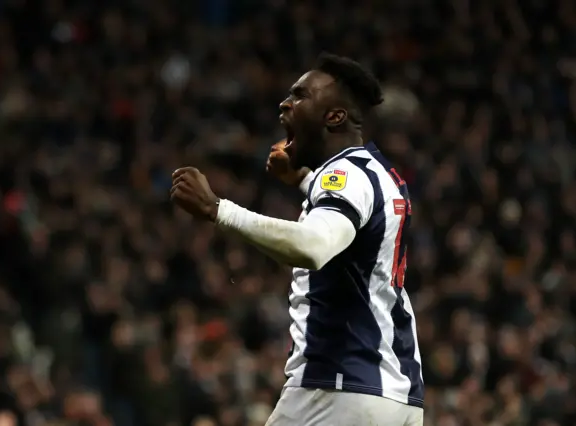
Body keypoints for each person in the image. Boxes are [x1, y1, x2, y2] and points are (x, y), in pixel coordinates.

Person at [170, 53, 424, 426]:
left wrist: (217, 209)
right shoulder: (379, 174)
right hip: (395, 397)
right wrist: (303, 180)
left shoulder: (343, 174)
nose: (285, 104)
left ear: (334, 116)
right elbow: (349, 237)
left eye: (301, 95)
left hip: (338, 389)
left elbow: (313, 247)